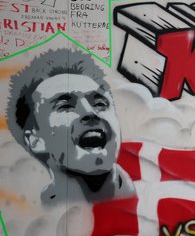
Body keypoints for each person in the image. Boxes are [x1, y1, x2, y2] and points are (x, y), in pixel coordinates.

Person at [6, 48, 135, 205]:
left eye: (100, 103)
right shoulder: (38, 212)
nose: (90, 112)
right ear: (35, 140)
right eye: (65, 106)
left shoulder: (152, 196)